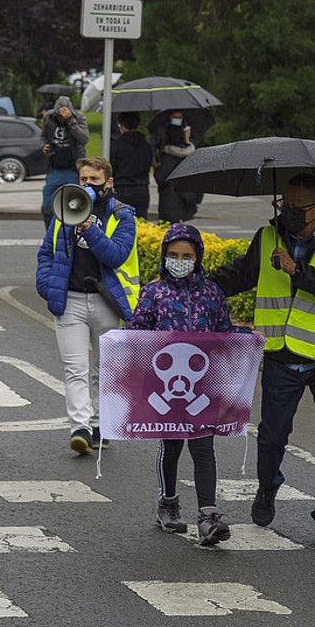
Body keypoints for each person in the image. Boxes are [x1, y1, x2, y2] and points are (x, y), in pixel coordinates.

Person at [210, 173, 315, 528]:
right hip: (280, 356)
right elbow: (242, 274)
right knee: (271, 436)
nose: (290, 212)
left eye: (299, 207)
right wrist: (202, 287)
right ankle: (268, 486)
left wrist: (297, 269)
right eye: (286, 204)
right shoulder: (268, 237)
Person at [127, 223, 241, 546]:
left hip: (202, 389)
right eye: (174, 255)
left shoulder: (211, 294)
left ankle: (208, 516)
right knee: (172, 445)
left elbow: (224, 333)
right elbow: (137, 335)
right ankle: (168, 503)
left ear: (198, 257)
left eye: (187, 255)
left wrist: (241, 343)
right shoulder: (153, 293)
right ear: (165, 257)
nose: (180, 260)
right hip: (164, 391)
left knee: (204, 448)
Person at [35, 156, 139, 455]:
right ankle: (79, 428)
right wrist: (46, 284)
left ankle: (98, 425)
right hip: (70, 301)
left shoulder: (122, 216)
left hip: (106, 302)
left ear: (109, 182)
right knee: (75, 368)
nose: (88, 185)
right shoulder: (64, 212)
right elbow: (46, 252)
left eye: (94, 180)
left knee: (102, 370)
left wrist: (91, 228)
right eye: (83, 180)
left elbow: (116, 255)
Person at [40, 97, 89, 223]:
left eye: (63, 116)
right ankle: (51, 236)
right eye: (59, 116)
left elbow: (84, 139)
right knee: (47, 207)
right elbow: (43, 136)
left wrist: (70, 121)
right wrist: (44, 146)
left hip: (73, 168)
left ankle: (70, 236)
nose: (61, 118)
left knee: (73, 208)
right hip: (55, 168)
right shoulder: (49, 118)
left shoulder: (78, 118)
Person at [154, 110, 199, 223]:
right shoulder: (191, 156)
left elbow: (160, 178)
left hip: (168, 204)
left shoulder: (167, 157)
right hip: (186, 203)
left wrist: (156, 166)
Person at [110, 112, 152, 220]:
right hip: (142, 188)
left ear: (122, 125)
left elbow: (112, 167)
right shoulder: (145, 144)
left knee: (122, 224)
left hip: (122, 188)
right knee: (141, 223)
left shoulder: (117, 145)